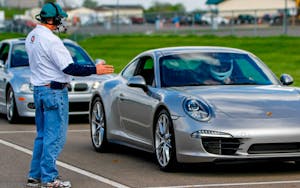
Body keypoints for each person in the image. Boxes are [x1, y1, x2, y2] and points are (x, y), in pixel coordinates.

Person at [25, 2, 114, 188]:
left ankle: (35, 176)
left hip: (39, 90)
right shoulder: (51, 40)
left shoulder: (31, 36)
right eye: (60, 19)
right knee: (55, 137)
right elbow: (69, 67)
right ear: (53, 19)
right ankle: (49, 178)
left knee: (42, 135)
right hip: (54, 92)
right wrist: (95, 69)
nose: (62, 22)